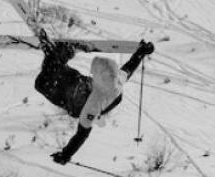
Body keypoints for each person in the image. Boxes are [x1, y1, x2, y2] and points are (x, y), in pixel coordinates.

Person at [33, 31, 155, 165]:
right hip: (79, 87)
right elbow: (129, 68)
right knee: (56, 72)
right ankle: (55, 55)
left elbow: (82, 134)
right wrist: (141, 52)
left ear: (101, 76)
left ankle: (61, 52)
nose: (92, 72)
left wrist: (66, 154)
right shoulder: (116, 80)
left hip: (73, 101)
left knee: (43, 82)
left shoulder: (93, 105)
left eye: (94, 72)